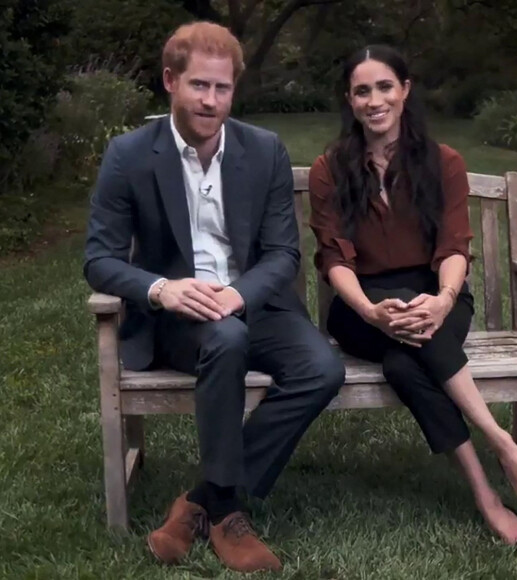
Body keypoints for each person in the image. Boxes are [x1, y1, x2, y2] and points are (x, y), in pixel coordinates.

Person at [84, 21, 345, 573]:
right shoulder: (129, 155)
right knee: (224, 340)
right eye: (199, 85)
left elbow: (282, 253)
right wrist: (161, 288)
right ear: (170, 82)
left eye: (222, 88)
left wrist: (239, 295)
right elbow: (99, 259)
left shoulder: (264, 149)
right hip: (179, 318)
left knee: (322, 368)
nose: (210, 100)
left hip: (253, 303)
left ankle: (202, 498)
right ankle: (228, 514)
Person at [308, 44, 517, 550]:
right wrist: (372, 313)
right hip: (361, 309)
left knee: (404, 364)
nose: (374, 100)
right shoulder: (330, 168)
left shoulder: (443, 162)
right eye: (361, 90)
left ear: (405, 90)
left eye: (384, 87)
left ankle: (487, 495)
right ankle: (500, 442)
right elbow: (335, 260)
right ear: (349, 100)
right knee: (402, 324)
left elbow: (454, 247)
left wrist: (443, 299)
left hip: (437, 295)